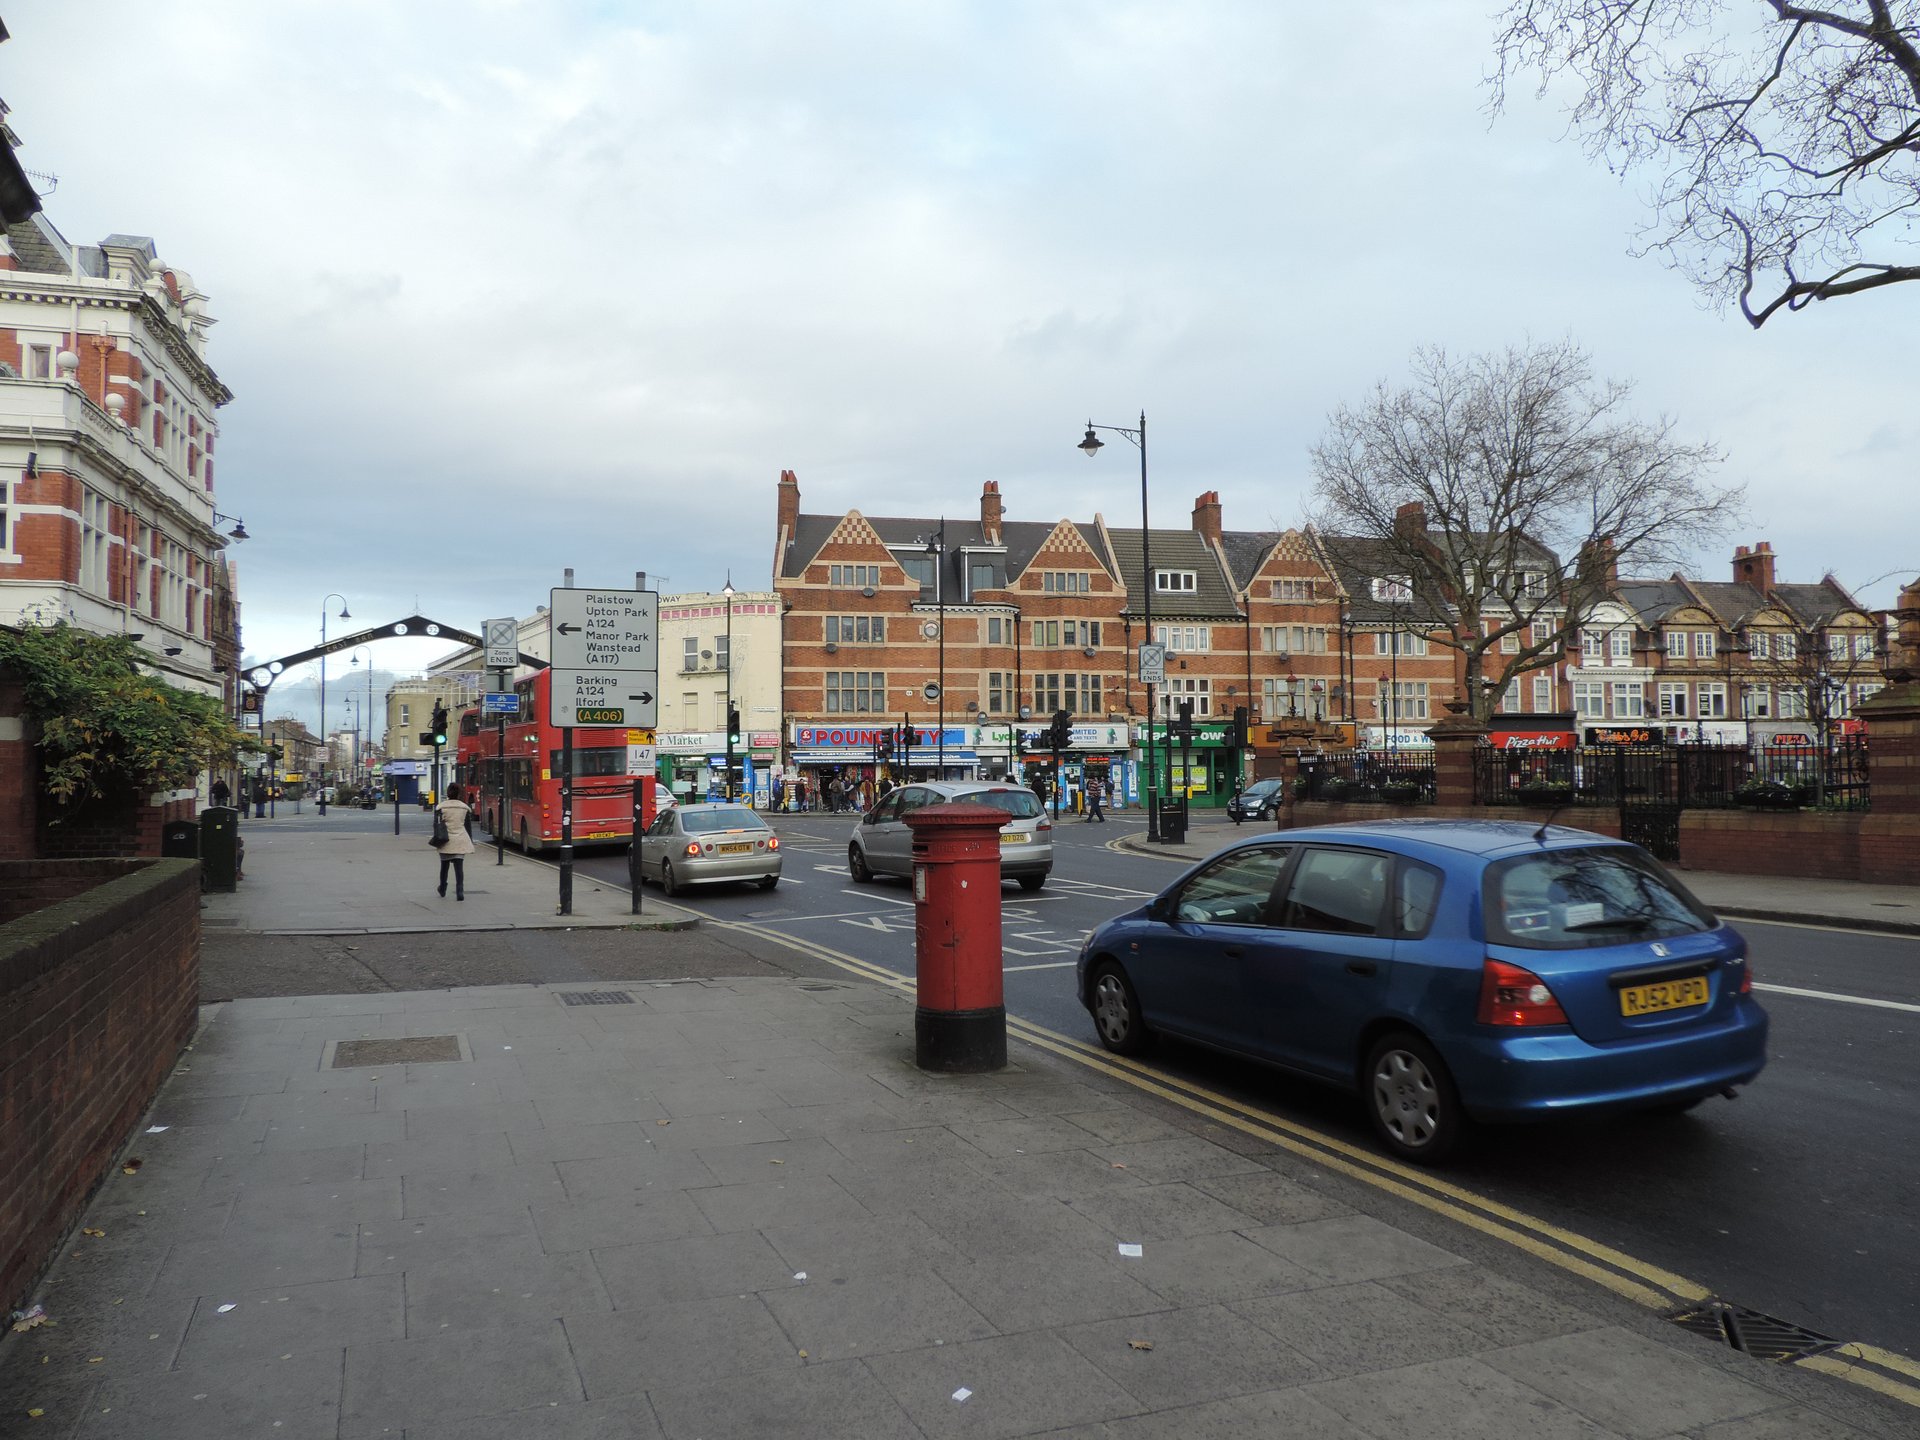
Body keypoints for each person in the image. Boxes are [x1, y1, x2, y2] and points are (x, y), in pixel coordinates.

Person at [432, 781, 476, 900]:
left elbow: (436, 825)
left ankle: (442, 888)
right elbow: (468, 827)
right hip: (460, 839)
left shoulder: (441, 807)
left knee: (444, 866)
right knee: (459, 867)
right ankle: (460, 891)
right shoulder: (464, 808)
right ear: (459, 794)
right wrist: (470, 841)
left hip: (445, 840)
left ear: (448, 793)